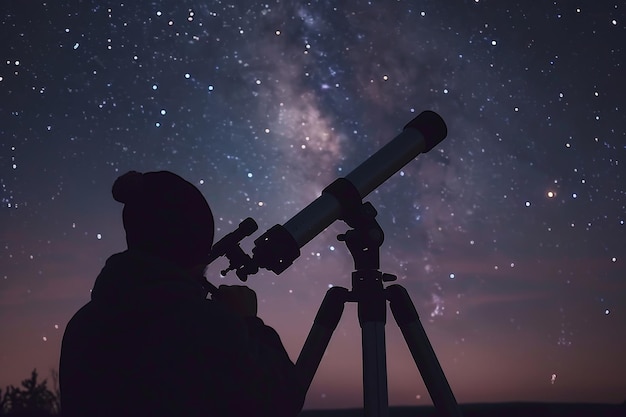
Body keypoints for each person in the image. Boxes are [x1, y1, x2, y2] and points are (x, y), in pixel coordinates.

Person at [60, 170, 305, 417]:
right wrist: (247, 322)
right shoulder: (205, 325)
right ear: (194, 245)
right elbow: (284, 399)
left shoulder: (82, 325)